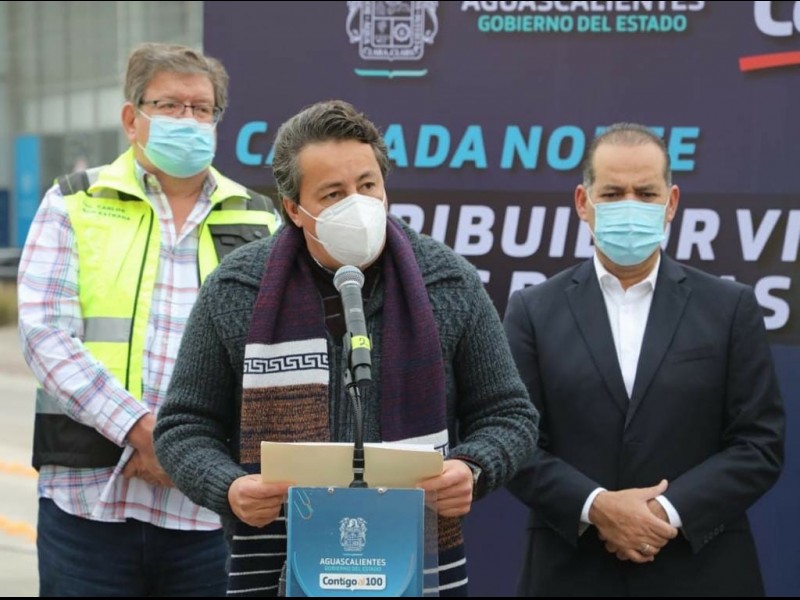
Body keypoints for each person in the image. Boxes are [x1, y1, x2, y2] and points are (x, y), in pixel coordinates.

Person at [153, 99, 539, 596]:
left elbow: (509, 414)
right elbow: (183, 426)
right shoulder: (237, 289)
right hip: (279, 567)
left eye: (367, 186)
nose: (357, 205)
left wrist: (473, 467)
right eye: (333, 194)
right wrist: (227, 487)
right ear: (294, 209)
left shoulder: (448, 282)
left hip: (414, 563)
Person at [17, 42, 279, 596]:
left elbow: (276, 357)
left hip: (210, 511)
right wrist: (144, 433)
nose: (188, 119)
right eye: (169, 105)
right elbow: (45, 336)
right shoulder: (73, 202)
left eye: (202, 108)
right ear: (131, 118)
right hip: (89, 505)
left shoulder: (260, 220)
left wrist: (189, 456)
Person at [503, 122, 785, 597]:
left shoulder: (730, 308)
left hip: (703, 572)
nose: (630, 206)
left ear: (671, 203)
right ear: (583, 203)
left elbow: (759, 444)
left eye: (646, 193)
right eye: (613, 194)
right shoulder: (532, 311)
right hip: (571, 574)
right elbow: (514, 440)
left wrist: (662, 513)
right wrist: (597, 507)